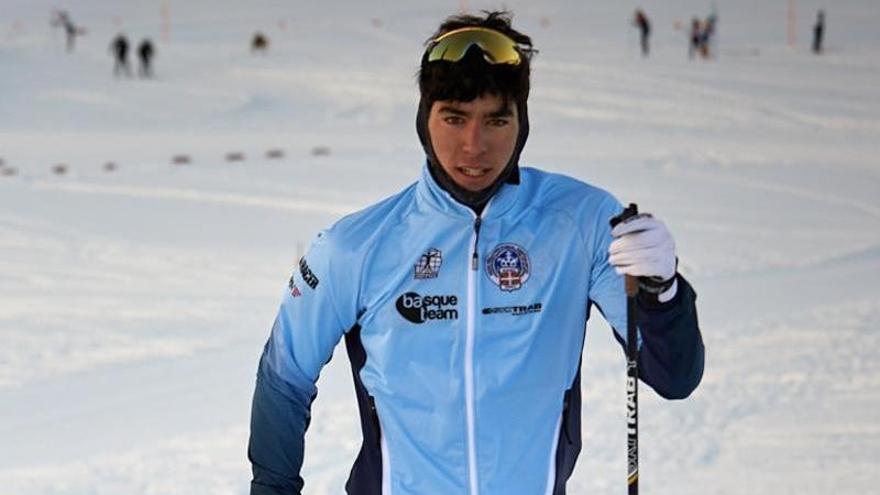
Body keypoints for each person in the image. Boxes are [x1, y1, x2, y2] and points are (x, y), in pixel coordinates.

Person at [248, 11, 704, 494]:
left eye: (496, 119)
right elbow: (284, 381)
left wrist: (663, 293)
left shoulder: (583, 223)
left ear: (521, 122)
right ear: (425, 119)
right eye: (455, 117)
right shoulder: (355, 246)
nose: (474, 145)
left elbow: (673, 376)